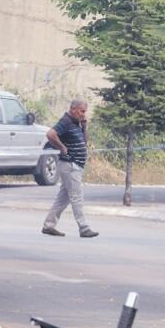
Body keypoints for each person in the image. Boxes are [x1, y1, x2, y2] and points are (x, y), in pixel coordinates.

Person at [41, 99, 99, 238]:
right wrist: (62, 147)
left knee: (63, 199)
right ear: (73, 109)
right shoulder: (66, 121)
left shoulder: (76, 123)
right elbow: (50, 134)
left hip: (76, 165)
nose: (84, 114)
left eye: (85, 112)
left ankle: (49, 225)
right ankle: (84, 228)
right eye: (82, 111)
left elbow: (84, 142)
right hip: (70, 165)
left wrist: (84, 127)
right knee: (77, 197)